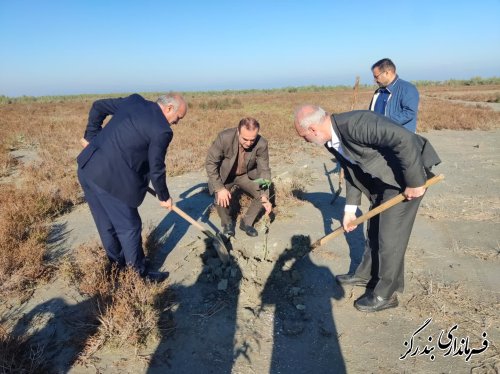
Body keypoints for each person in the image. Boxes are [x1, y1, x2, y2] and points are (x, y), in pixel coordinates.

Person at [294, 105, 440, 312]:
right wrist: (350, 210)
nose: (305, 141)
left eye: (304, 137)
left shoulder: (357, 123)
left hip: (406, 177)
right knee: (374, 228)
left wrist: (415, 181)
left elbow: (404, 139)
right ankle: (366, 274)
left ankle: (386, 293)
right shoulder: (330, 140)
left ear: (313, 130)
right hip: (382, 179)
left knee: (390, 237)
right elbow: (352, 170)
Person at [77, 93, 187, 282]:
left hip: (87, 169)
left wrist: (91, 137)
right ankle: (138, 275)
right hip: (113, 181)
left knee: (106, 224)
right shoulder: (162, 130)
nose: (176, 123)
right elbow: (156, 168)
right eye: (178, 118)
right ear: (169, 108)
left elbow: (97, 106)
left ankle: (118, 266)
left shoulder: (134, 101)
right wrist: (164, 196)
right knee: (129, 227)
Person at [206, 117, 272, 238]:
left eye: (252, 140)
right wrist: (220, 189)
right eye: (245, 139)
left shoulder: (262, 143)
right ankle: (227, 223)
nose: (248, 143)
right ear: (238, 131)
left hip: (246, 175)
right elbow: (211, 163)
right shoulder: (224, 137)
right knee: (221, 197)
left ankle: (246, 223)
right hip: (226, 175)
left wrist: (265, 195)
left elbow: (264, 170)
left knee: (261, 193)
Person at [369, 58, 419, 133]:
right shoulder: (378, 92)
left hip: (400, 139)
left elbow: (409, 113)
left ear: (387, 73)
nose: (375, 80)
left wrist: (384, 122)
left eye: (376, 77)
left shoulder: (408, 89)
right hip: (379, 138)